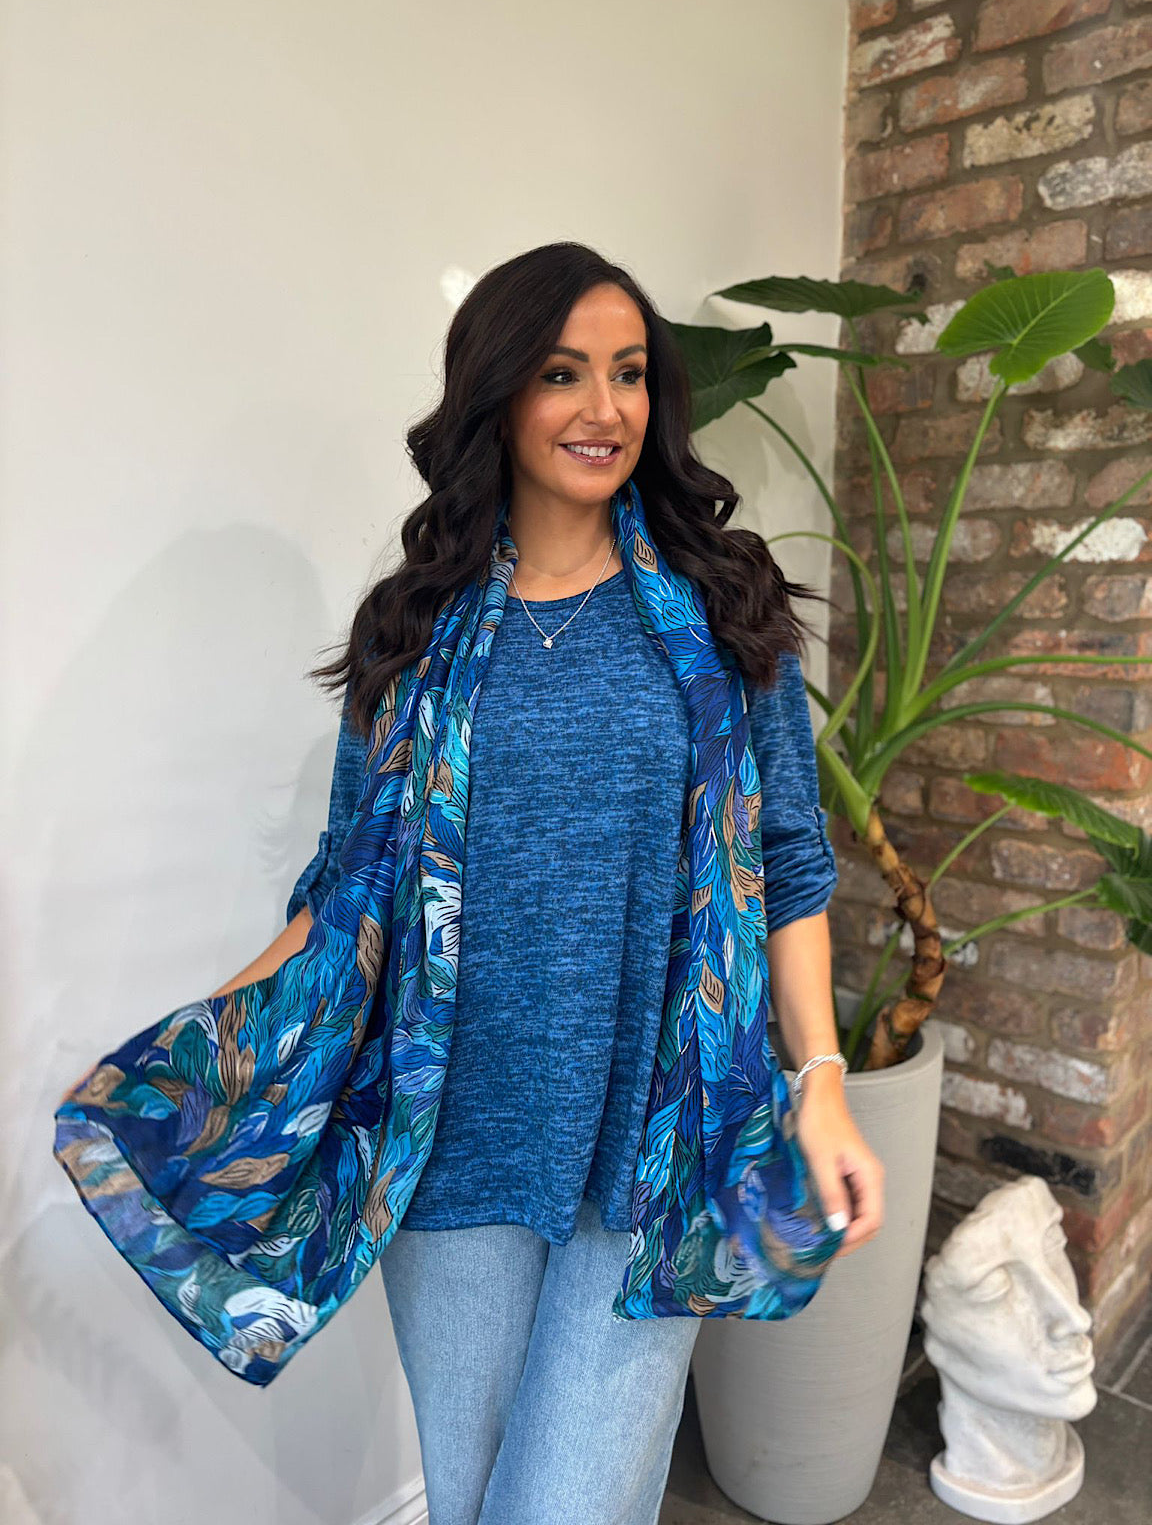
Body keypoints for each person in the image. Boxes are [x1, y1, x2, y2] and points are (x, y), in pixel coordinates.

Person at [208, 242, 885, 1525]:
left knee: (567, 1505)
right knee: (472, 1499)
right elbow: (349, 890)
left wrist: (823, 1081)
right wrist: (209, 1045)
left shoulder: (723, 605)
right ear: (500, 394)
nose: (604, 407)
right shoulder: (411, 629)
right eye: (564, 373)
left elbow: (789, 861)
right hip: (451, 1142)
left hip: (659, 1134)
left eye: (629, 374)